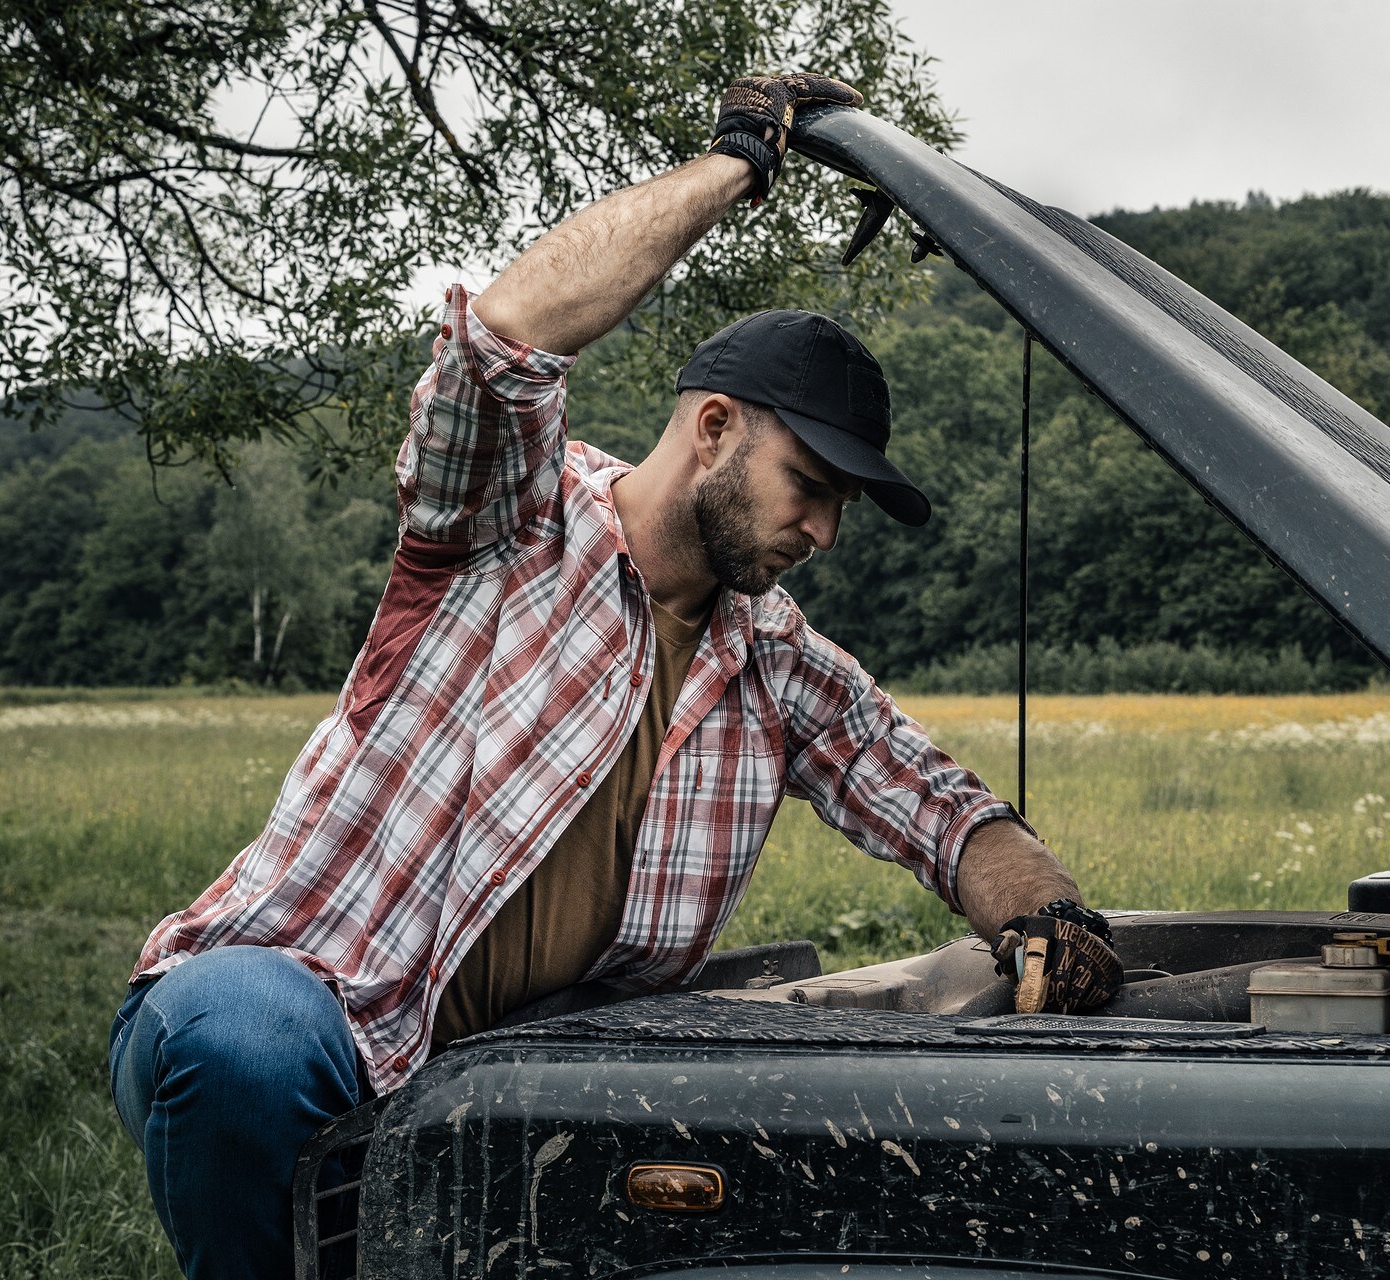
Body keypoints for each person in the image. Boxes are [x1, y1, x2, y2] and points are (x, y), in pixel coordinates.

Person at [107, 73, 1121, 1279]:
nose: (823, 531)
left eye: (843, 505)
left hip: (495, 1083)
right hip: (314, 1011)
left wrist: (1048, 913)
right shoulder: (512, 520)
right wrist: (739, 162)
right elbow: (506, 333)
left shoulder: (779, 661)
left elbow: (945, 809)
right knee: (242, 1038)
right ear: (713, 427)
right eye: (810, 486)